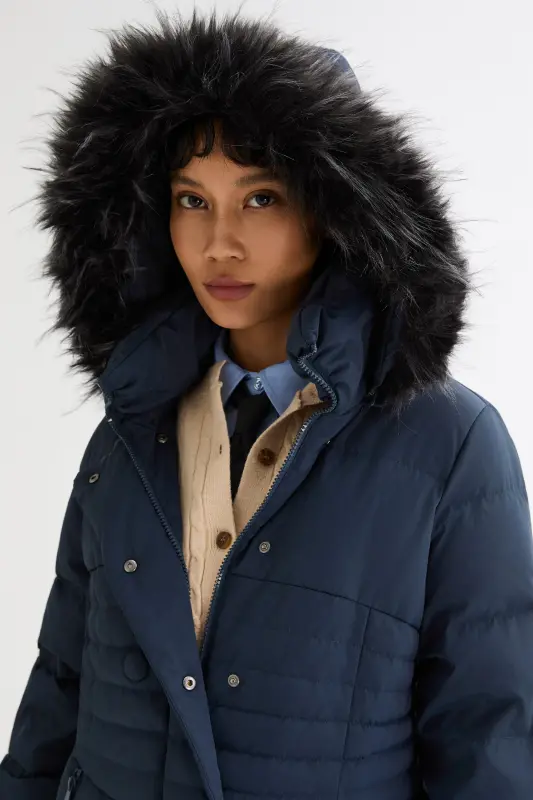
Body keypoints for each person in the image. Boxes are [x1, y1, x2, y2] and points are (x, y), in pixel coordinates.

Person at [1, 8, 532, 800]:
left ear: (334, 209)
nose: (219, 243)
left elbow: (488, 735)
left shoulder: (447, 445)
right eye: (191, 200)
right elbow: (61, 683)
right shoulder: (129, 430)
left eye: (261, 199)